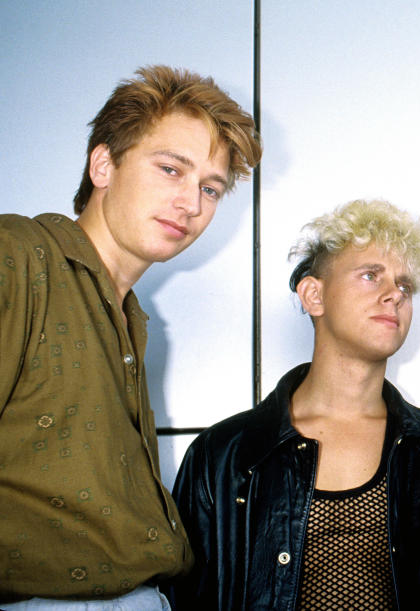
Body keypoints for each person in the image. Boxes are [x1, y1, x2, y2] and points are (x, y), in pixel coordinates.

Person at [0, 66, 262, 608]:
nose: (191, 203)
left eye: (210, 188)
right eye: (171, 169)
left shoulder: (132, 317)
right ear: (103, 164)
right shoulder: (18, 255)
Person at [166, 199, 420, 610]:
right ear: (314, 295)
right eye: (370, 276)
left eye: (405, 285)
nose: (394, 296)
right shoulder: (224, 456)